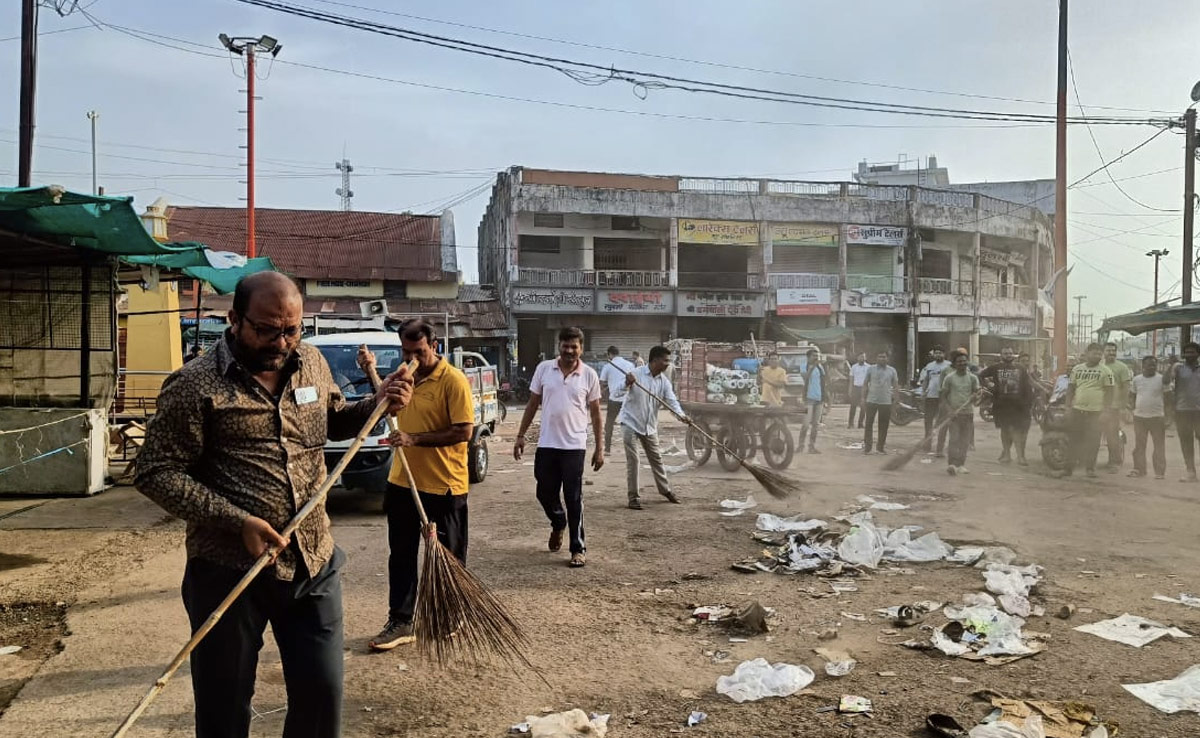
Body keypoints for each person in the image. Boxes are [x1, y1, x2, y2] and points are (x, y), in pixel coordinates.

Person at [134, 272, 413, 738]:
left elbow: (335, 421)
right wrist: (236, 520)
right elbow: (155, 472)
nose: (281, 342)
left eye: (292, 329)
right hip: (229, 571)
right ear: (234, 319)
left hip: (312, 560)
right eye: (266, 329)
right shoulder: (194, 384)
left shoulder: (312, 363)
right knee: (224, 706)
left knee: (321, 698)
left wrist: (379, 402)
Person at [365, 319, 475, 652]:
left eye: (420, 352)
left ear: (434, 346)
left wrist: (414, 438)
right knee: (400, 554)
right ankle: (401, 620)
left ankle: (450, 614)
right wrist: (372, 372)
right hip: (402, 482)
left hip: (444, 485)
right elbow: (384, 404)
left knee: (448, 556)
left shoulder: (453, 381)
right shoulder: (402, 376)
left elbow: (463, 432)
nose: (412, 358)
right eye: (407, 351)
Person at [513, 327, 604, 568]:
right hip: (547, 444)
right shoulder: (544, 369)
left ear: (581, 348)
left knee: (574, 498)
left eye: (574, 346)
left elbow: (595, 413)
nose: (569, 350)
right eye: (565, 345)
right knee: (544, 492)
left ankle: (578, 548)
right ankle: (558, 521)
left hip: (574, 446)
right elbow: (533, 403)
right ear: (559, 346)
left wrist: (600, 446)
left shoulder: (589, 375)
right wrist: (520, 435)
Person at [619, 345, 686, 509]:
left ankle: (665, 490)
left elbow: (671, 402)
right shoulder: (636, 374)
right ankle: (633, 497)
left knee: (656, 459)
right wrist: (627, 384)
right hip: (630, 423)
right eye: (665, 360)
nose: (667, 364)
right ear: (655, 360)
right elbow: (617, 393)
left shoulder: (664, 382)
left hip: (649, 426)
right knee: (634, 460)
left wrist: (682, 416)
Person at [1065, 343, 1114, 479]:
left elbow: (1110, 393)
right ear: (1087, 353)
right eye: (1095, 353)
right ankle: (1068, 468)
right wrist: (1068, 407)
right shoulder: (1077, 369)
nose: (1097, 356)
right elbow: (1071, 389)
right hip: (1077, 410)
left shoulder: (1106, 371)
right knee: (1074, 440)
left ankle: (1090, 469)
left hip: (1096, 412)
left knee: (1093, 441)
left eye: (1099, 353)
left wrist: (1106, 411)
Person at [979, 347, 1035, 465]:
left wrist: (1027, 403)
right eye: (1005, 353)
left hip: (1018, 405)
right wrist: (989, 385)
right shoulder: (995, 368)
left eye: (1010, 353)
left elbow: (1027, 386)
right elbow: (981, 375)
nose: (1008, 355)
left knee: (1017, 431)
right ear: (1001, 355)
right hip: (1001, 404)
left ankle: (1021, 457)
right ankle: (1007, 456)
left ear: (1013, 355)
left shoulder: (1020, 368)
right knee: (1005, 431)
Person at [941, 351, 981, 476]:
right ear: (954, 364)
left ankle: (961, 465)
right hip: (954, 415)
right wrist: (949, 410)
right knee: (954, 439)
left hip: (968, 414)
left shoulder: (973, 378)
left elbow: (977, 397)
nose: (962, 363)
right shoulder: (949, 378)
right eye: (959, 362)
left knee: (965, 441)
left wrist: (976, 396)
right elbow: (943, 397)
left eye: (964, 361)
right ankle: (952, 464)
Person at [1130, 355, 1167, 480]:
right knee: (1140, 445)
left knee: (1159, 446)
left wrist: (1169, 416)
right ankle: (1140, 470)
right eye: (1149, 364)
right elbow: (1132, 396)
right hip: (1139, 417)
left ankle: (1159, 472)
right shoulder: (1136, 380)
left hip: (1157, 417)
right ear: (1143, 366)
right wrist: (1132, 410)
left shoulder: (1162, 379)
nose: (1152, 367)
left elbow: (1168, 397)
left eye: (1154, 364)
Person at [1170, 342, 1200, 482]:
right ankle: (1190, 472)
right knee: (1186, 442)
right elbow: (1165, 382)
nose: (1189, 355)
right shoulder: (1179, 368)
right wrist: (1172, 365)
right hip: (1182, 410)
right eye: (1187, 352)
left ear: (1198, 354)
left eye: (1192, 352)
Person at [1101, 342, 1133, 472]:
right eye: (1108, 350)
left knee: (1112, 435)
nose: (1111, 353)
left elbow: (1126, 388)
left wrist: (1123, 406)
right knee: (1094, 434)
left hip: (1113, 407)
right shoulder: (1099, 366)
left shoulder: (1122, 367)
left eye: (1113, 351)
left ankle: (1114, 462)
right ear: (1104, 352)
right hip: (1097, 407)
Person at [862, 350, 899, 455]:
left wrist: (896, 400)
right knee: (869, 424)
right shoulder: (870, 369)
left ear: (887, 359)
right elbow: (865, 384)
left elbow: (896, 386)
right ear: (876, 358)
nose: (882, 359)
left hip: (886, 402)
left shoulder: (892, 370)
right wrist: (862, 398)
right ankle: (868, 447)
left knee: (883, 426)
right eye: (880, 357)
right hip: (871, 400)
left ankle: (880, 447)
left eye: (884, 357)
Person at [598, 346, 635, 451]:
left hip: (614, 399)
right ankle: (630, 448)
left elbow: (602, 382)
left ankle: (607, 449)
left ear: (610, 354)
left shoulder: (608, 366)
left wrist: (603, 392)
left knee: (609, 423)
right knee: (628, 423)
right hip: (627, 399)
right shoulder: (630, 365)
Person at [918, 346, 951, 456]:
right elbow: (926, 380)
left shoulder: (949, 365)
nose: (938, 355)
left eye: (940, 353)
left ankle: (939, 448)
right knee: (928, 422)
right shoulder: (929, 366)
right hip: (930, 397)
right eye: (936, 353)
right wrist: (923, 392)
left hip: (944, 398)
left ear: (944, 354)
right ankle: (927, 445)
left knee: (942, 423)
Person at [799, 348, 829, 453]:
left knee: (815, 425)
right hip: (809, 398)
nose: (816, 358)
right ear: (808, 357)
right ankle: (800, 446)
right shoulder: (804, 366)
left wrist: (826, 397)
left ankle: (811, 446)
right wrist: (812, 367)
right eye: (814, 356)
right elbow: (805, 377)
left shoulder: (820, 367)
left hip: (819, 398)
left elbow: (824, 382)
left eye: (817, 356)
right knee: (806, 424)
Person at [847, 352, 870, 428]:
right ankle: (850, 423)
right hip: (856, 388)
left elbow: (870, 379)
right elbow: (851, 379)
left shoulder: (868, 367)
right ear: (857, 358)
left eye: (863, 357)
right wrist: (850, 389)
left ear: (865, 358)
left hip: (865, 388)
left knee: (863, 407)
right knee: (853, 406)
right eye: (860, 357)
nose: (862, 358)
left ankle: (860, 423)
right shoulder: (854, 367)